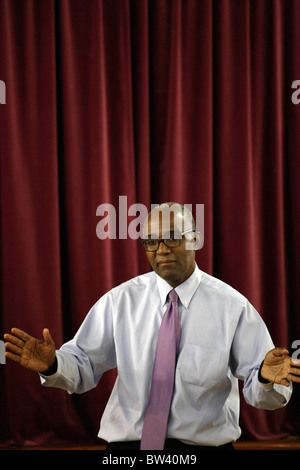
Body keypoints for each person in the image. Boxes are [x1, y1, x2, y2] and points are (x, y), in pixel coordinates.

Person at [4, 202, 300, 451]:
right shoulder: (120, 301)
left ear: (195, 239)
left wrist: (263, 377)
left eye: (172, 238)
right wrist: (52, 364)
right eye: (150, 241)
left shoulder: (233, 307)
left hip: (203, 450)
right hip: (127, 450)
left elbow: (261, 395)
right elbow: (81, 366)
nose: (161, 250)